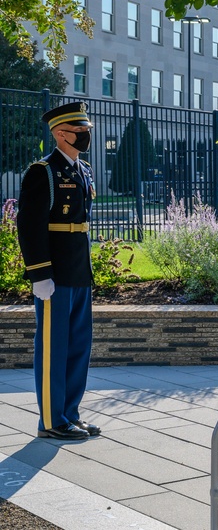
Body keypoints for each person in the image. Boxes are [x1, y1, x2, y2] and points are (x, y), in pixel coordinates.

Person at [16, 102, 101, 441]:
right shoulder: (44, 171)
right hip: (54, 275)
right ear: (60, 134)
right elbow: (30, 226)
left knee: (79, 346)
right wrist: (39, 274)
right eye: (80, 132)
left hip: (79, 271)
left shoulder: (83, 169)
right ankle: (51, 420)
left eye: (86, 131)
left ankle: (70, 414)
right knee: (54, 348)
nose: (85, 136)